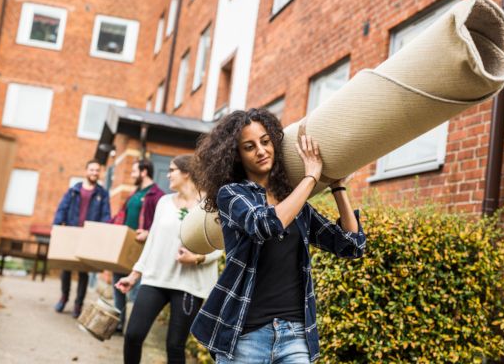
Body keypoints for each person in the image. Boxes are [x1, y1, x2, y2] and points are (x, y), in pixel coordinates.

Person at [189, 108, 366, 363]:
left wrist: (337, 185)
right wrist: (311, 177)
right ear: (237, 156)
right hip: (245, 336)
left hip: (295, 335)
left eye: (265, 141)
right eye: (249, 147)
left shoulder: (295, 204)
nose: (261, 151)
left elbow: (351, 246)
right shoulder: (232, 195)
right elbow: (266, 224)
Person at [115, 155, 222, 364]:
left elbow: (221, 244)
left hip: (189, 285)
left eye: (172, 170)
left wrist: (198, 257)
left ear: (186, 173)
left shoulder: (210, 204)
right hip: (156, 279)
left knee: (174, 346)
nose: (168, 174)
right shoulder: (164, 202)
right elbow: (152, 241)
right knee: (133, 335)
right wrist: (134, 274)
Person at [111, 159, 165, 332]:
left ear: (144, 172)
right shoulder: (134, 194)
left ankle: (135, 328)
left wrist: (148, 233)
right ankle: (118, 323)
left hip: (142, 250)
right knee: (118, 285)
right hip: (124, 246)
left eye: (134, 171)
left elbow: (162, 224)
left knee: (136, 292)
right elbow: (120, 216)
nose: (132, 174)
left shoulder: (158, 196)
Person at [53, 159, 111, 318]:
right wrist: (57, 227)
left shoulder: (102, 193)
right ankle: (64, 297)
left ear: (100, 173)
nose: (94, 173)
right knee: (66, 269)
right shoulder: (74, 190)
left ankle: (78, 304)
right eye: (92, 170)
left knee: (83, 272)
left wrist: (103, 231)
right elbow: (62, 209)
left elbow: (106, 215)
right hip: (72, 233)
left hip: (89, 237)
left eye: (97, 170)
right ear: (86, 171)